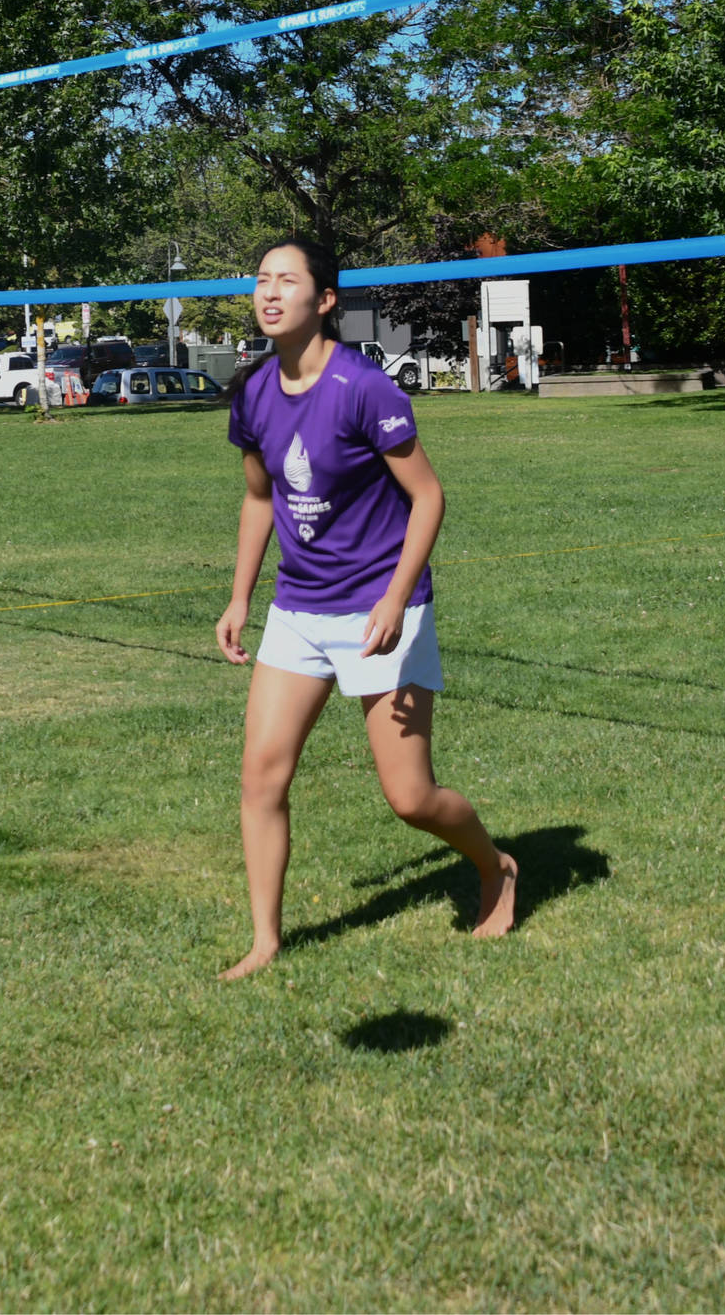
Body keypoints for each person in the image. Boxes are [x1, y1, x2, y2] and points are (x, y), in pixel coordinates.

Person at [215, 238, 518, 980]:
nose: (270, 292)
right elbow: (261, 496)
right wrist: (239, 596)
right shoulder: (251, 391)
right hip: (300, 607)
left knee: (410, 796)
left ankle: (498, 865)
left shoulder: (363, 387)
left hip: (382, 606)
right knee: (261, 779)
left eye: (288, 281)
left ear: (325, 301)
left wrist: (391, 597)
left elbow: (428, 496)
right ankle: (265, 941)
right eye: (261, 281)